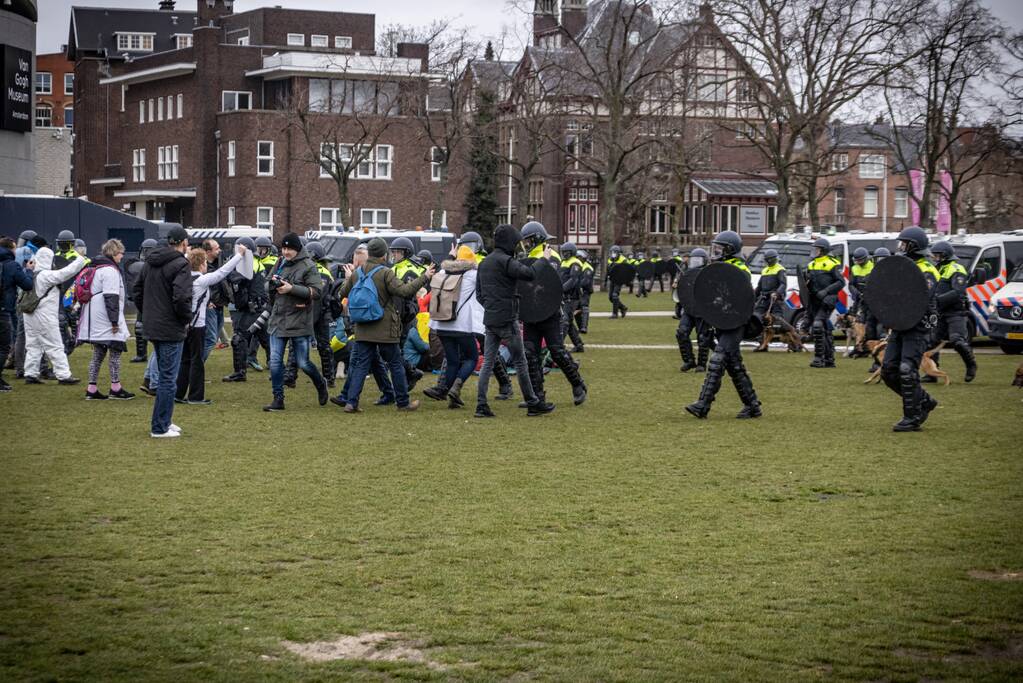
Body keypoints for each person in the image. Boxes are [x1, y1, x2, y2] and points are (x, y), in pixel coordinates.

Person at [331, 237, 434, 412]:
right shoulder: (386, 273)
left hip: (363, 327)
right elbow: (405, 291)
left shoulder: (358, 272)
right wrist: (425, 277)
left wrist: (350, 278)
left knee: (360, 366)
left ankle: (351, 403)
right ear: (383, 255)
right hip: (385, 328)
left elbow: (342, 293)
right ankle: (402, 402)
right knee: (395, 364)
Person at [474, 224, 553, 418]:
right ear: (509, 242)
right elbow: (530, 274)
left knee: (488, 363)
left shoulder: (484, 262)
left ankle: (481, 405)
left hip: (490, 319)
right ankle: (533, 402)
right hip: (507, 319)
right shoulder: (506, 261)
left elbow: (479, 294)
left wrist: (492, 307)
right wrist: (544, 259)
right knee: (520, 362)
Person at [685, 230, 761, 419]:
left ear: (730, 249)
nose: (716, 251)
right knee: (734, 365)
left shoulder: (740, 269)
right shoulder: (717, 267)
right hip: (722, 321)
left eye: (720, 247)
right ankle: (752, 405)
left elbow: (736, 297)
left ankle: (703, 404)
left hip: (736, 321)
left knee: (718, 359)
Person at [520, 222, 587, 408]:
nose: (525, 244)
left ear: (536, 238)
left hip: (549, 312)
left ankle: (578, 384)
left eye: (528, 240)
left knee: (557, 351)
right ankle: (537, 396)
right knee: (530, 353)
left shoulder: (551, 256)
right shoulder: (527, 257)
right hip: (531, 312)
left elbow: (551, 283)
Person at [133, 227, 192, 437]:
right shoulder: (181, 264)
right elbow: (182, 297)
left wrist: (148, 312)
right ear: (183, 242)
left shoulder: (150, 262)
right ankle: (160, 427)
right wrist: (186, 319)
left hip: (153, 325)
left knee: (164, 375)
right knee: (168, 378)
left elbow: (137, 290)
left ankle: (165, 419)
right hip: (170, 326)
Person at [880, 227, 940, 432]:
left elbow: (920, 297)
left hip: (919, 326)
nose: (900, 248)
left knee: (907, 370)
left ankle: (912, 417)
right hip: (900, 324)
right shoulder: (902, 266)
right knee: (888, 371)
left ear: (914, 246)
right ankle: (924, 400)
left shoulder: (927, 269)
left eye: (904, 244)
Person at [262, 233, 330, 412]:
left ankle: (320, 383)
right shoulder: (279, 262)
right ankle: (278, 399)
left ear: (297, 249)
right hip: (278, 319)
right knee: (275, 361)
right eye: (283, 248)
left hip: (299, 320)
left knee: (303, 363)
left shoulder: (309, 266)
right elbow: (267, 282)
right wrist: (272, 285)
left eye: (289, 249)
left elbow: (317, 292)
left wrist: (292, 289)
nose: (285, 252)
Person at [175, 244, 244, 405]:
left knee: (185, 360)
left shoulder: (185, 277)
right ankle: (196, 397)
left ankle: (178, 394)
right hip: (197, 326)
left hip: (184, 325)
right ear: (201, 264)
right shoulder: (201, 280)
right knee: (197, 361)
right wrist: (239, 255)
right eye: (205, 262)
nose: (207, 265)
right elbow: (222, 272)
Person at [75, 239, 135, 400]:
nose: (122, 257)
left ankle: (92, 388)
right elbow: (111, 297)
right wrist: (114, 321)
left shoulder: (95, 267)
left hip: (94, 316)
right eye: (121, 253)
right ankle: (115, 387)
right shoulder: (110, 271)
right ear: (114, 253)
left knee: (98, 354)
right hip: (105, 318)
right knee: (115, 352)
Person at [426, 246, 484, 408]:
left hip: (441, 323)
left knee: (452, 360)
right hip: (462, 325)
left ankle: (445, 390)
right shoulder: (473, 274)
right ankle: (456, 387)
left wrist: (450, 256)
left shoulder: (443, 273)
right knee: (471, 358)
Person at [23, 246, 87, 386]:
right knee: (55, 345)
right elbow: (65, 273)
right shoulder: (46, 275)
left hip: (29, 314)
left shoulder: (31, 274)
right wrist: (80, 260)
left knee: (33, 345)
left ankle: (30, 373)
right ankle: (64, 375)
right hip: (45, 316)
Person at [283, 240, 336, 388]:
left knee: (315, 345)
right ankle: (327, 377)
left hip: (314, 312)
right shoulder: (319, 271)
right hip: (315, 313)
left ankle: (291, 376)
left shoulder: (317, 272)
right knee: (322, 346)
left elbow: (317, 297)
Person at [929, 240, 977, 383]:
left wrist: (938, 300)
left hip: (956, 312)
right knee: (932, 342)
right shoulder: (938, 269)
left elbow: (958, 292)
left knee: (957, 341)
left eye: (937, 256)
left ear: (945, 255)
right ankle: (932, 373)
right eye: (934, 256)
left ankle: (971, 365)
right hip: (940, 313)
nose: (934, 258)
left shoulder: (956, 269)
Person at [222, 237, 268, 383]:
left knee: (239, 338)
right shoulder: (255, 262)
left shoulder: (250, 263)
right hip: (257, 308)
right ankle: (281, 372)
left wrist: (227, 269)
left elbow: (238, 278)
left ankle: (240, 373)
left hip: (253, 309)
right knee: (267, 341)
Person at [802, 237, 844, 368]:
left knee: (818, 325)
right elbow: (806, 285)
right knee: (824, 330)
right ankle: (829, 359)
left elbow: (841, 282)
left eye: (817, 249)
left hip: (827, 300)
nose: (814, 251)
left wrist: (826, 291)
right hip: (814, 301)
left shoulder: (832, 263)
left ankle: (818, 358)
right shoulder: (811, 264)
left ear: (823, 250)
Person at [0, 237, 35, 392]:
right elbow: (27, 285)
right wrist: (28, 270)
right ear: (10, 249)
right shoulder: (12, 265)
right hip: (3, 310)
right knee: (4, 346)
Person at [675, 248, 714, 372]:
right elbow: (683, 291)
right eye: (694, 260)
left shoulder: (709, 273)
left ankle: (702, 364)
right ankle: (689, 361)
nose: (695, 262)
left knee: (703, 337)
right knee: (682, 332)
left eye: (698, 260)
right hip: (689, 308)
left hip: (702, 310)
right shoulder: (686, 273)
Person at [752, 249, 796, 352]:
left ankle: (793, 344)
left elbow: (783, 284)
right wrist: (753, 296)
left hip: (775, 299)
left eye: (767, 260)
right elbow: (759, 286)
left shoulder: (780, 269)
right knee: (758, 319)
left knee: (778, 322)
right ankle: (762, 345)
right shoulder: (765, 270)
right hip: (764, 299)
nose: (766, 262)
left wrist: (777, 293)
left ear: (771, 260)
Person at [127, 238, 157, 362]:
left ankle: (157, 353)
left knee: (159, 329)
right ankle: (141, 354)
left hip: (157, 301)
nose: (146, 253)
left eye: (148, 251)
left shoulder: (158, 265)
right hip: (144, 300)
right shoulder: (140, 266)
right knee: (139, 327)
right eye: (145, 251)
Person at [200, 239, 231, 362]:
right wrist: (208, 301)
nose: (220, 250)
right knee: (211, 339)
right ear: (208, 251)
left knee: (213, 337)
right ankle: (195, 367)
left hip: (219, 305)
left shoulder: (219, 263)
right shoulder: (202, 267)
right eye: (216, 248)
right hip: (210, 306)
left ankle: (195, 367)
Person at [847, 247, 874, 358]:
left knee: (869, 325)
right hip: (859, 300)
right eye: (856, 260)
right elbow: (851, 284)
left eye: (860, 260)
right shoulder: (854, 268)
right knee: (858, 324)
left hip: (871, 300)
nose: (858, 262)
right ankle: (858, 347)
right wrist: (857, 294)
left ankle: (868, 348)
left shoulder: (874, 267)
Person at [559, 242, 585, 353]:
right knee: (568, 322)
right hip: (565, 295)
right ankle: (578, 345)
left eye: (567, 252)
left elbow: (573, 280)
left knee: (565, 321)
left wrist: (561, 289)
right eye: (563, 252)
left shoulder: (576, 263)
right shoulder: (564, 262)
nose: (565, 254)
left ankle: (558, 345)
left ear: (572, 252)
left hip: (572, 297)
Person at [605, 245, 629, 319]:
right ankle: (623, 307)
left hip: (619, 280)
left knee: (615, 295)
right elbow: (608, 271)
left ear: (618, 253)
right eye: (612, 252)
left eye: (615, 252)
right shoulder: (610, 260)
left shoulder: (624, 260)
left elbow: (628, 270)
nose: (613, 254)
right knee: (610, 298)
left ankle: (615, 314)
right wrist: (605, 280)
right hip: (612, 279)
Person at [576, 250, 594, 333]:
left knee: (584, 307)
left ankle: (584, 327)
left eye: (579, 257)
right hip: (578, 291)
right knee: (576, 309)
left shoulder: (587, 268)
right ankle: (580, 327)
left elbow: (586, 281)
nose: (577, 259)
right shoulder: (578, 265)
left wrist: (577, 284)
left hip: (585, 291)